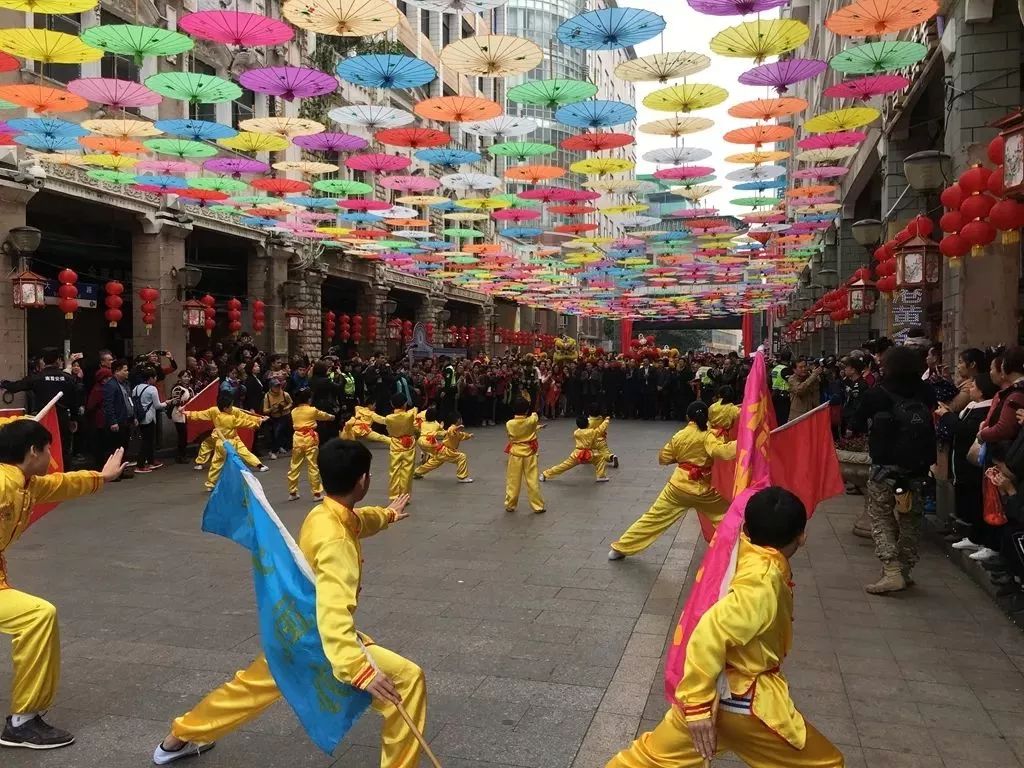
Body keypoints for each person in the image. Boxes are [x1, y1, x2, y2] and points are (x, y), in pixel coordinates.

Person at [152, 440, 426, 767]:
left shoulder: (322, 513)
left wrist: (387, 515)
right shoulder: (337, 541)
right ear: (362, 481)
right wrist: (359, 669)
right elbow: (333, 613)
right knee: (407, 680)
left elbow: (355, 522)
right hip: (319, 639)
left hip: (292, 630)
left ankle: (176, 739)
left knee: (246, 690)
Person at [605, 487, 843, 768]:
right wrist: (697, 705)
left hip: (710, 693)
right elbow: (711, 631)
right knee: (827, 763)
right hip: (741, 704)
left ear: (746, 528)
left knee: (643, 761)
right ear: (802, 536)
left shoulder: (739, 547)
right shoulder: (763, 580)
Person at [0, 419, 126, 750]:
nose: (51, 457)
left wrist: (102, 477)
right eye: (47, 449)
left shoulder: (27, 483)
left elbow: (63, 483)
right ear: (32, 451)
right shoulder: (2, 482)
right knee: (37, 616)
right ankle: (22, 723)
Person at [852, 345, 938, 593]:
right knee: (911, 518)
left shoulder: (878, 393)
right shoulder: (925, 391)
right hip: (918, 468)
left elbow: (857, 422)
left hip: (885, 469)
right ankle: (905, 569)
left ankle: (891, 571)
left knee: (881, 516)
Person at [609, 401, 735, 561]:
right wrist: (743, 444)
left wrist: (681, 458)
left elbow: (663, 457)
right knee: (727, 515)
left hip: (676, 487)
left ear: (688, 417)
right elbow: (721, 451)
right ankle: (741, 550)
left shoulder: (680, 435)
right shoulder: (708, 435)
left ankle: (620, 548)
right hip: (701, 490)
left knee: (653, 518)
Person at [1, 348, 79, 466]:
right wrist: (74, 418)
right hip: (62, 419)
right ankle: (64, 474)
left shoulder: (37, 377)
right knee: (63, 448)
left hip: (44, 419)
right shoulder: (68, 378)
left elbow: (15, 387)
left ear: (43, 360)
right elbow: (74, 401)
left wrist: (3, 383)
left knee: (42, 447)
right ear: (58, 360)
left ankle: (44, 474)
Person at [949, 374, 998, 554]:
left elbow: (964, 430)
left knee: (977, 499)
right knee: (968, 497)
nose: (970, 389)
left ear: (982, 390)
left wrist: (947, 416)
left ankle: (979, 538)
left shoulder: (985, 410)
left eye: (973, 386)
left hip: (976, 462)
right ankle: (972, 535)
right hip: (963, 460)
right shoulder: (972, 407)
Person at [184, 390, 268, 492]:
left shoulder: (217, 413)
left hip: (221, 441)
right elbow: (244, 421)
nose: (232, 407)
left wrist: (187, 413)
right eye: (231, 405)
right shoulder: (230, 417)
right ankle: (251, 471)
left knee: (217, 462)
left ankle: (210, 483)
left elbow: (200, 414)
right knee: (241, 455)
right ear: (225, 407)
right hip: (229, 440)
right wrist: (259, 421)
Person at [287, 388, 335, 501]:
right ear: (309, 399)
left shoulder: (293, 411)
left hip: (297, 438)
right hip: (310, 438)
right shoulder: (312, 410)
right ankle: (317, 493)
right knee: (312, 465)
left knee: (294, 465)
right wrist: (331, 417)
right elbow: (323, 415)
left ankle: (292, 492)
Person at [504, 398, 546, 514]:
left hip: (515, 453)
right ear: (527, 410)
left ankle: (510, 504)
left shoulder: (509, 424)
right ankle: (538, 506)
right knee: (532, 479)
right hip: (530, 453)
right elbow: (534, 415)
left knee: (513, 480)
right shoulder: (532, 420)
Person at [541, 415, 610, 482]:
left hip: (577, 454)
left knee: (563, 466)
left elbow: (583, 429)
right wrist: (606, 420)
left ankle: (545, 474)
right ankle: (601, 476)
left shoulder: (576, 432)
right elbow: (601, 429)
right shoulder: (592, 432)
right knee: (600, 458)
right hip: (589, 455)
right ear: (588, 424)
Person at [414, 413, 474, 483]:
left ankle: (417, 472)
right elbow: (450, 432)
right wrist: (455, 430)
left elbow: (461, 435)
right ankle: (462, 477)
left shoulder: (456, 430)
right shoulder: (452, 428)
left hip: (441, 450)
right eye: (461, 419)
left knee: (432, 464)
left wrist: (469, 435)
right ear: (458, 420)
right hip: (447, 451)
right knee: (462, 457)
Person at [132, 366, 171, 473]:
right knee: (147, 442)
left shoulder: (136, 388)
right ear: (150, 378)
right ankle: (140, 465)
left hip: (139, 417)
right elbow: (158, 405)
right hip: (149, 417)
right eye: (155, 377)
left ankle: (151, 460)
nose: (156, 378)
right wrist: (166, 403)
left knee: (147, 440)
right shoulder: (152, 389)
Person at [383, 393, 418, 502]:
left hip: (396, 444)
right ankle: (404, 496)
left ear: (392, 404)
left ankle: (394, 496)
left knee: (394, 470)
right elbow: (415, 410)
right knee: (407, 471)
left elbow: (388, 429)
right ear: (405, 404)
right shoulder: (409, 415)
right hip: (409, 444)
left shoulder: (389, 418)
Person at [101, 360, 135, 466]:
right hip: (117, 420)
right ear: (117, 371)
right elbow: (108, 404)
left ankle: (123, 468)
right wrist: (113, 421)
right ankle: (114, 469)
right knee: (115, 447)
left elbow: (130, 401)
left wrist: (134, 417)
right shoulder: (110, 385)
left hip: (126, 418)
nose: (127, 372)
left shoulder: (126, 384)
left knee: (124, 446)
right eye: (125, 370)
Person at [262, 375, 292, 461]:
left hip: (285, 415)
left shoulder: (285, 394)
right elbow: (265, 410)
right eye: (276, 386)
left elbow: (290, 403)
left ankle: (277, 448)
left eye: (279, 386)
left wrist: (286, 407)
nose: (278, 388)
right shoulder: (267, 396)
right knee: (277, 432)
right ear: (271, 387)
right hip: (275, 416)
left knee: (281, 431)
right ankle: (276, 448)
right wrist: (272, 409)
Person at [170, 371, 195, 464]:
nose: (187, 378)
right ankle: (180, 456)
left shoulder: (189, 388)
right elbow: (174, 402)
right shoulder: (178, 388)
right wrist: (186, 402)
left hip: (187, 414)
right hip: (178, 414)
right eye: (184, 376)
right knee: (182, 436)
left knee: (184, 436)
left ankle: (183, 454)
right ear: (180, 378)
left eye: (188, 376)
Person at [770, 350, 793, 425]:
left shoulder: (775, 368)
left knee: (777, 417)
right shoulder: (785, 369)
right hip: (784, 397)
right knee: (783, 419)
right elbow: (792, 381)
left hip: (775, 394)